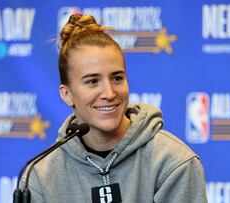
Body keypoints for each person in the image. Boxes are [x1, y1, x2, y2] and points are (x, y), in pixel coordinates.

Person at [21, 14, 208, 203]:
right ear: (67, 94)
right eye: (93, 81)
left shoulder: (173, 162)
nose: (109, 93)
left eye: (117, 78)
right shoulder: (40, 176)